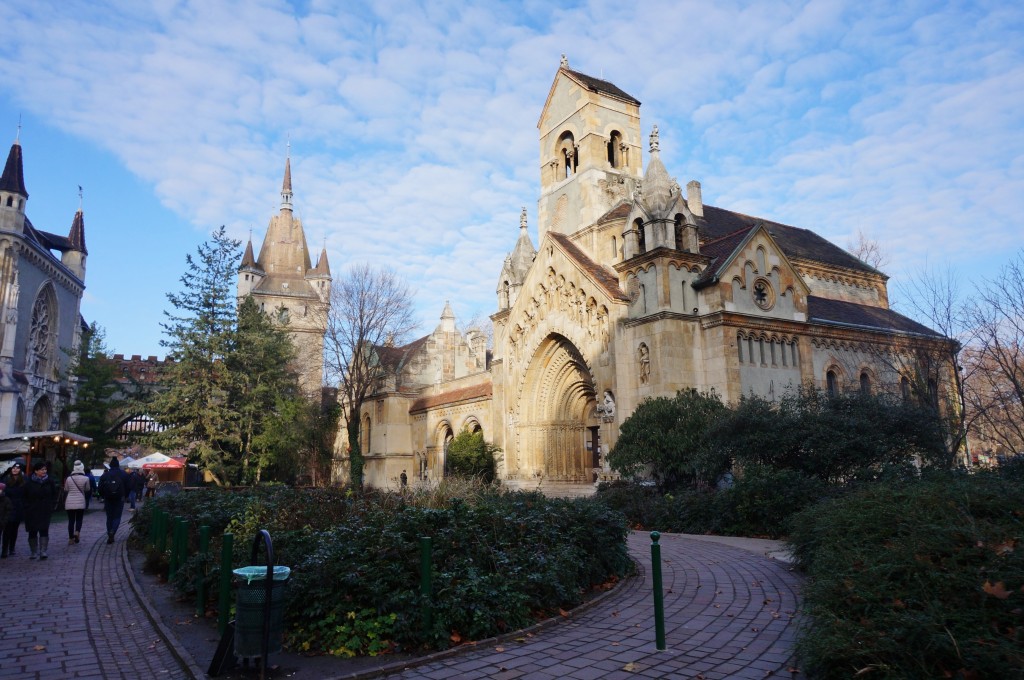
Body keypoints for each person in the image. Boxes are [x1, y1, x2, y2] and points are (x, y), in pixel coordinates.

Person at [24, 460, 57, 559]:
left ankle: (43, 551)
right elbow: (24, 495)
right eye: (42, 470)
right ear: (36, 471)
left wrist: (51, 505)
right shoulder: (29, 482)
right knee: (32, 531)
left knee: (44, 530)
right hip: (32, 510)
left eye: (45, 469)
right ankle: (33, 551)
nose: (44, 471)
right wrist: (27, 506)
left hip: (45, 509)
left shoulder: (49, 481)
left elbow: (53, 494)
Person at [98, 457, 129, 544]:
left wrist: (103, 496)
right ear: (118, 465)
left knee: (109, 517)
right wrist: (125, 496)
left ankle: (109, 532)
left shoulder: (105, 475)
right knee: (117, 516)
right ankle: (113, 531)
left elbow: (100, 488)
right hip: (120, 498)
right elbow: (129, 486)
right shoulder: (123, 474)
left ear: (110, 465)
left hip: (108, 498)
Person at [1, 460, 26, 558]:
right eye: (13, 468)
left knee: (15, 529)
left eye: (17, 468)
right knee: (7, 528)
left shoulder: (24, 480)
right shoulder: (5, 480)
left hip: (19, 506)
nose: (15, 470)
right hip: (8, 507)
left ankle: (12, 547)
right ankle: (4, 549)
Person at [64, 460, 91, 545]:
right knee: (79, 519)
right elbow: (87, 489)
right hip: (80, 501)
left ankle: (71, 538)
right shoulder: (86, 478)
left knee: (71, 520)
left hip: (70, 501)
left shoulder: (69, 478)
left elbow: (66, 489)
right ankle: (77, 531)